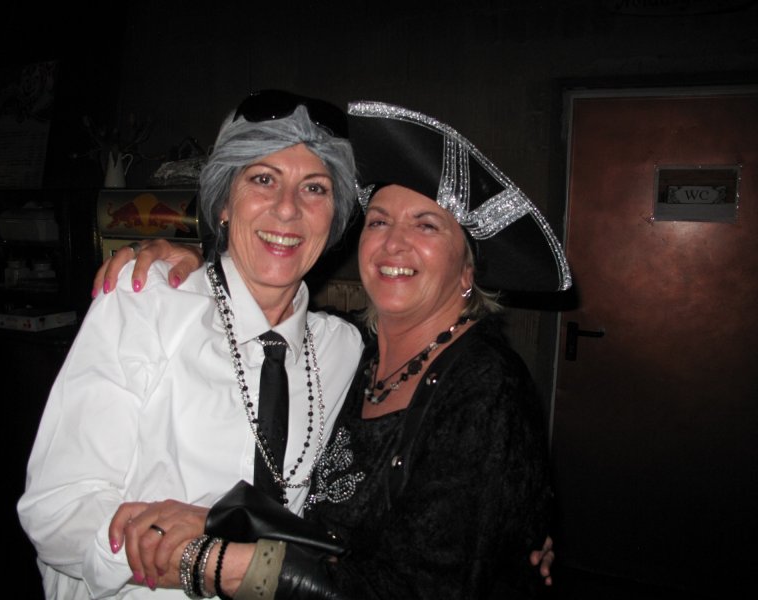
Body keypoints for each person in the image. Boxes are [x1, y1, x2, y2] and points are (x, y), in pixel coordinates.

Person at [94, 100, 569, 598]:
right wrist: (197, 261)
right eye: (379, 221)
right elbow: (322, 533)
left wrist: (211, 562)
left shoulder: (486, 386)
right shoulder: (351, 355)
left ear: (469, 268)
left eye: (426, 225)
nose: (394, 244)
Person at [17, 89, 366, 599]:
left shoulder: (342, 350)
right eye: (263, 179)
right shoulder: (147, 303)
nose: (287, 209)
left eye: (314, 188)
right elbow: (57, 510)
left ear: (334, 219)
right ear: (223, 203)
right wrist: (194, 558)